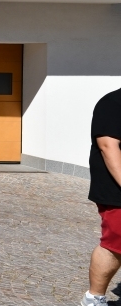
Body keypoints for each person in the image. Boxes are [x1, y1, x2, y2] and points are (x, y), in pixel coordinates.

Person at [82, 87, 121, 306]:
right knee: (116, 243)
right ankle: (93, 297)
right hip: (116, 190)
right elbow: (108, 146)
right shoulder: (113, 103)